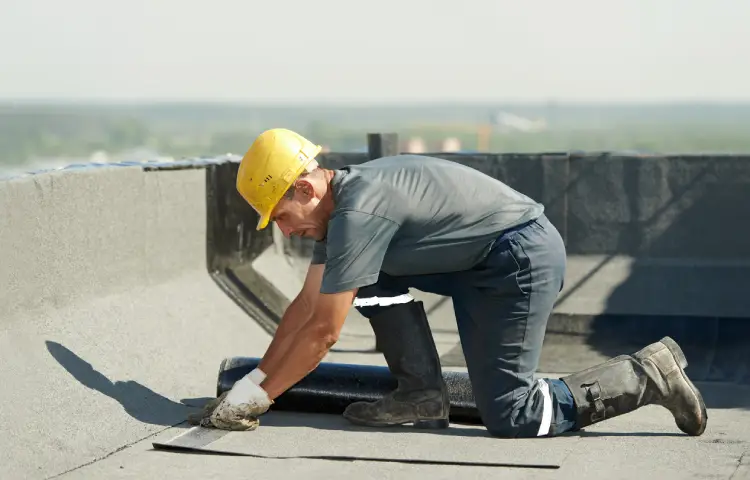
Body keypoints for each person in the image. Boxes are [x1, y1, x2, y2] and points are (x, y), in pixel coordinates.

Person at [195, 127, 708, 438]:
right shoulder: (338, 214)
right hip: (478, 262)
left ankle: (645, 376)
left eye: (282, 216)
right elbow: (305, 309)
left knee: (513, 414)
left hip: (517, 260)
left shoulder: (359, 210)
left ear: (306, 187)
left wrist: (258, 400)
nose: (285, 231)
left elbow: (323, 334)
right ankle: (421, 393)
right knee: (364, 278)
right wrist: (252, 383)